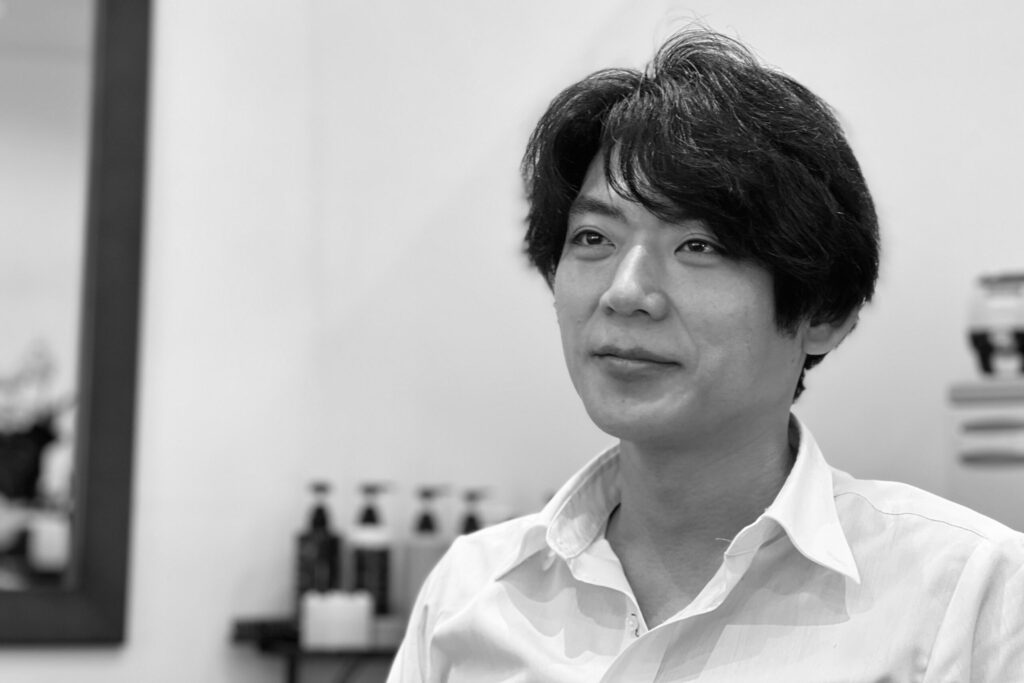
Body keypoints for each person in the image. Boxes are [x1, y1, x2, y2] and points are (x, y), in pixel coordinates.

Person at [387, 28, 1024, 682]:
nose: (625, 292)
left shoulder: (963, 592)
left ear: (823, 314)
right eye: (593, 237)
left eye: (700, 246)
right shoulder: (473, 593)